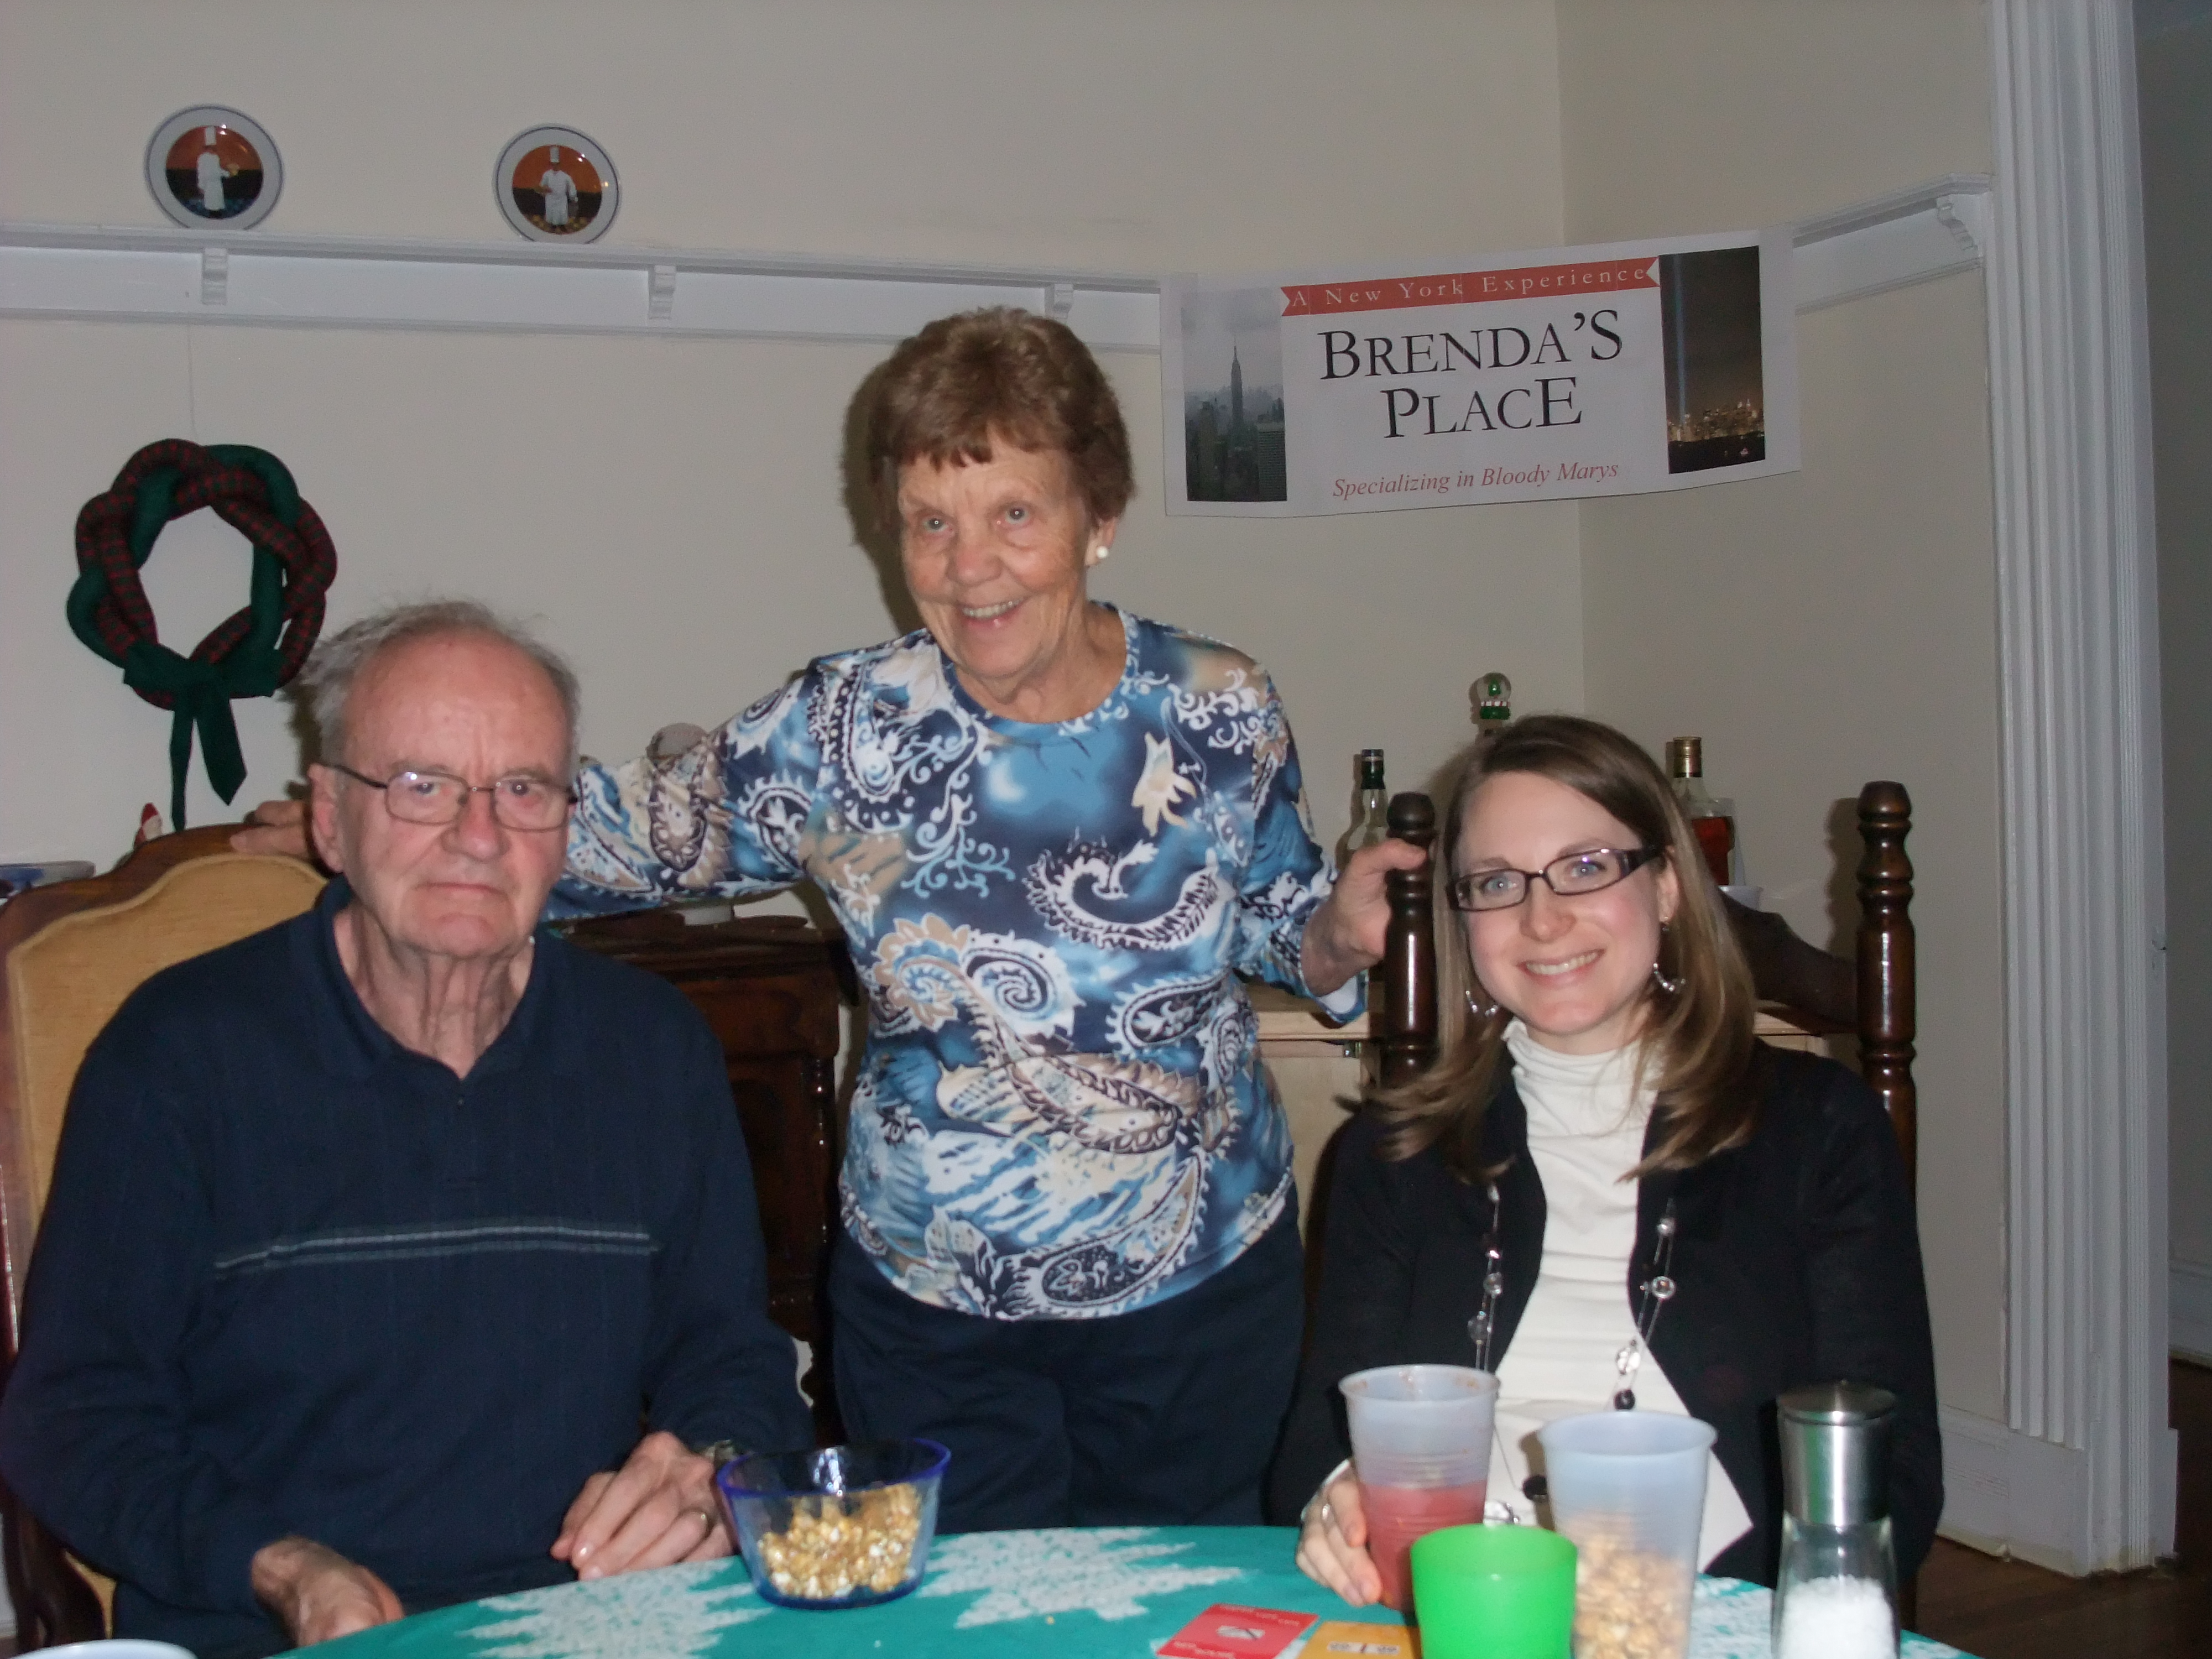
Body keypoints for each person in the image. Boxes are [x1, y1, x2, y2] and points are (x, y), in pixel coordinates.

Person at [236, 306, 1416, 1533]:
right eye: (930, 522)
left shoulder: (1218, 709)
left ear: (1098, 517)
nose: (970, 566)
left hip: (1197, 1299)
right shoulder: (841, 728)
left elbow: (1275, 919)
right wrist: (394, 820)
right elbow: (634, 832)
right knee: (957, 1619)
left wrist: (1335, 937)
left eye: (1015, 513)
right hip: (935, 1316)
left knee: (1187, 1609)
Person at [1, 602, 811, 1659]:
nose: (478, 837)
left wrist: (710, 1463)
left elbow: (733, 1355)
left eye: (522, 789)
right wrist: (282, 1569)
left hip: (594, 1628)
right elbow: (75, 1421)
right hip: (274, 1635)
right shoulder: (178, 1057)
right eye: (422, 786)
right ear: (330, 818)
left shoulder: (653, 1049)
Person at [1273, 714, 1939, 1601]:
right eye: (1497, 882)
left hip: (1699, 1608)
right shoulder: (1396, 1151)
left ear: (1666, 886)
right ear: (1462, 920)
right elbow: (1318, 1442)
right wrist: (1339, 1498)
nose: (1543, 919)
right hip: (1458, 1596)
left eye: (1586, 868)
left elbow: (1890, 1476)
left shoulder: (1816, 1128)